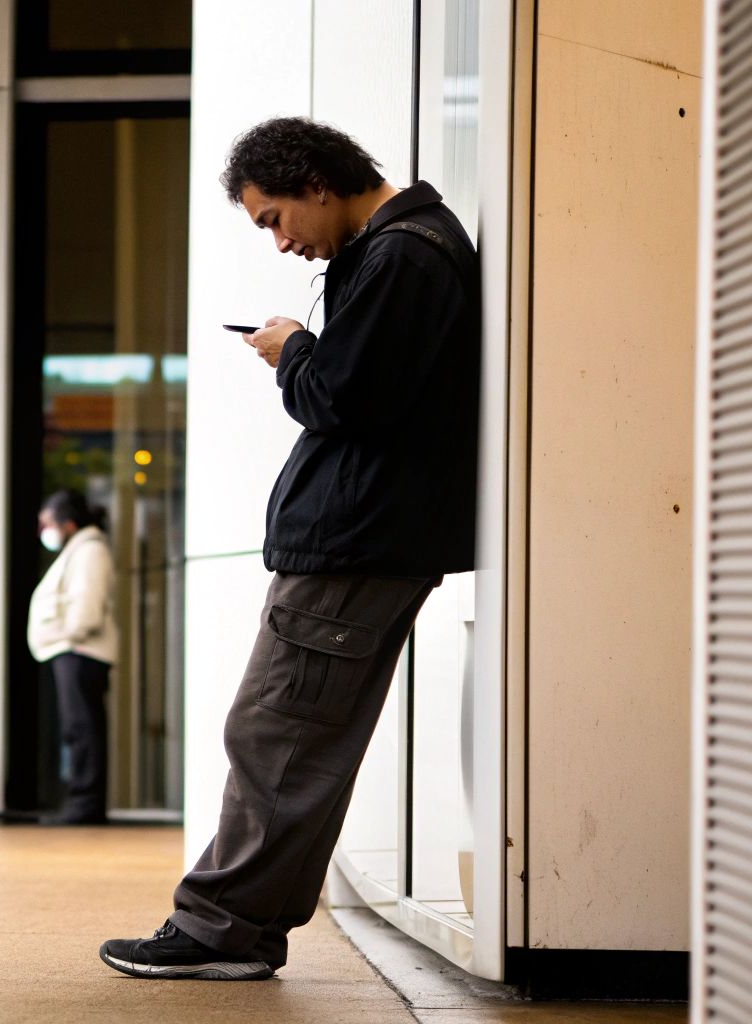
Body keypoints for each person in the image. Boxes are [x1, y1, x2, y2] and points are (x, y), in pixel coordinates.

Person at [99, 117, 479, 980]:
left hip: (354, 545)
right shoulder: (400, 250)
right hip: (367, 541)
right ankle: (242, 927)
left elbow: (342, 398)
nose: (279, 242)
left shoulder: (402, 256)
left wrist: (290, 350)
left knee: (276, 736)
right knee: (296, 741)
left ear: (315, 182)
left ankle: (219, 929)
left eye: (274, 217)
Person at [27, 489, 119, 826]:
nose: (44, 531)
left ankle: (86, 805)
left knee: (83, 731)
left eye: (48, 523)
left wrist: (69, 636)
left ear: (68, 523)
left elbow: (86, 607)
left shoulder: (89, 551)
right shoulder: (79, 550)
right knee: (78, 729)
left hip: (80, 650)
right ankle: (82, 803)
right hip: (74, 650)